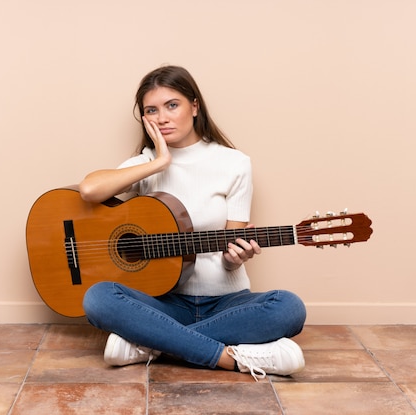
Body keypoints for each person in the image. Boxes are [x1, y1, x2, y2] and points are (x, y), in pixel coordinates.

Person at [80, 65, 306, 381]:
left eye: (172, 105)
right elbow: (89, 190)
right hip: (163, 303)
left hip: (227, 303)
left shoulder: (234, 163)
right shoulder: (146, 163)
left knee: (289, 308)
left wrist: (235, 257)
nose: (162, 117)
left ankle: (151, 344)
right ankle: (230, 358)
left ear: (194, 106)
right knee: (97, 298)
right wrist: (159, 162)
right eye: (151, 110)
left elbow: (231, 254)